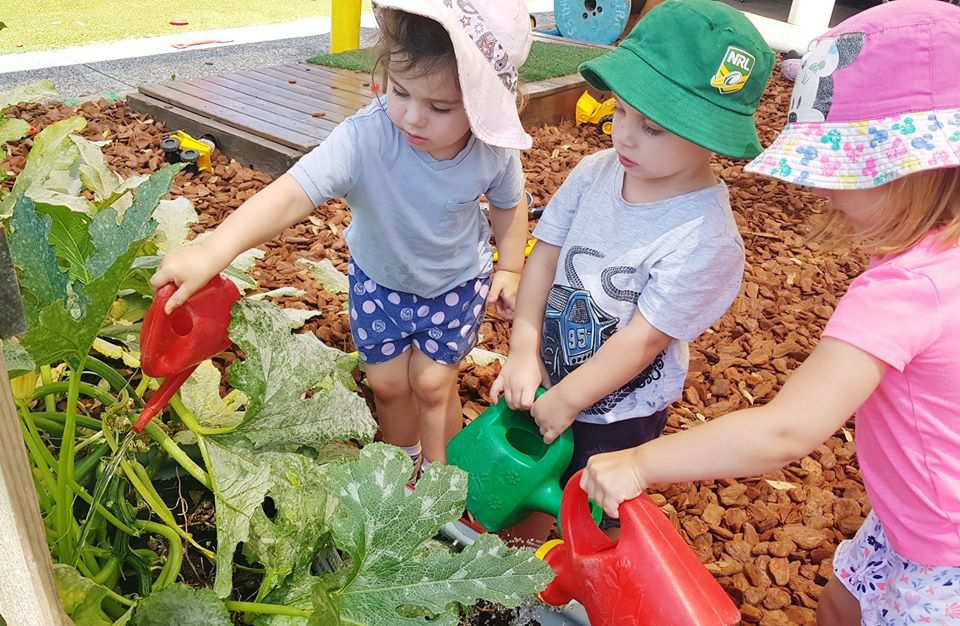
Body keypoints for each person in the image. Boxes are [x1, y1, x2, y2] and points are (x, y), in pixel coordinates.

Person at [579, 1, 960, 623]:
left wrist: (640, 462)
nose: (823, 190)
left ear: (915, 170)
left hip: (943, 562)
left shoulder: (904, 291)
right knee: (841, 604)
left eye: (842, 170)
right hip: (921, 516)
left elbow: (785, 431)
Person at [151, 0, 533, 471]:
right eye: (400, 91)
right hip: (380, 285)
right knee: (389, 385)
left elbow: (509, 205)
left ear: (484, 106)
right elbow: (293, 193)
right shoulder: (366, 138)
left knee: (433, 385)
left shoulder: (491, 151)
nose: (413, 116)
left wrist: (511, 266)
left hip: (454, 286)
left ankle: (442, 478)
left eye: (439, 107)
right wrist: (213, 250)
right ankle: (401, 469)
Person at [491, 0, 774, 531]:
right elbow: (545, 255)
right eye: (620, 112)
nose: (624, 135)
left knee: (590, 511)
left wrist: (570, 399)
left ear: (709, 134)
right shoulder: (595, 172)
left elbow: (644, 339)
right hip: (547, 374)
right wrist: (523, 350)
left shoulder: (704, 238)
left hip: (617, 415)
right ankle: (518, 572)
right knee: (523, 489)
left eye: (652, 127)